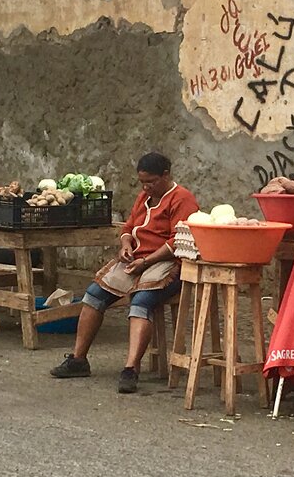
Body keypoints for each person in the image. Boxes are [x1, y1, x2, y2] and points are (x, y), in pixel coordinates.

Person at [51, 152, 199, 394]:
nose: (146, 187)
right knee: (94, 295)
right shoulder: (143, 197)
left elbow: (177, 240)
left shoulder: (182, 199)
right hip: (137, 259)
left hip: (168, 262)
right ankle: (78, 359)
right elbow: (129, 226)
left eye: (151, 182)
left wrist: (147, 261)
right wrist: (126, 245)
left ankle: (131, 369)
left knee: (141, 303)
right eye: (143, 182)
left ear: (166, 175)